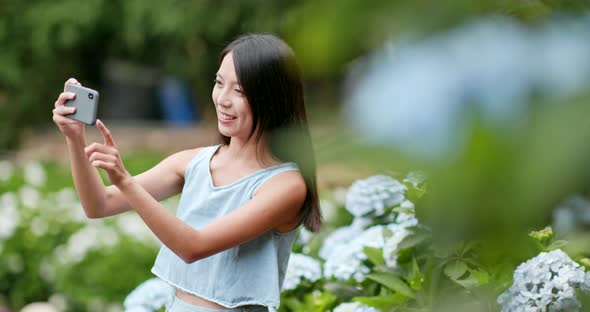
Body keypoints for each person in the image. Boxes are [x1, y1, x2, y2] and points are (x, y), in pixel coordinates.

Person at [51, 34, 322, 312]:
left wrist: (126, 182)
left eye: (239, 91)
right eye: (219, 83)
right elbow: (99, 204)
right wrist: (75, 138)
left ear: (272, 98)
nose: (222, 99)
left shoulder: (286, 185)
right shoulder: (193, 162)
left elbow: (193, 247)